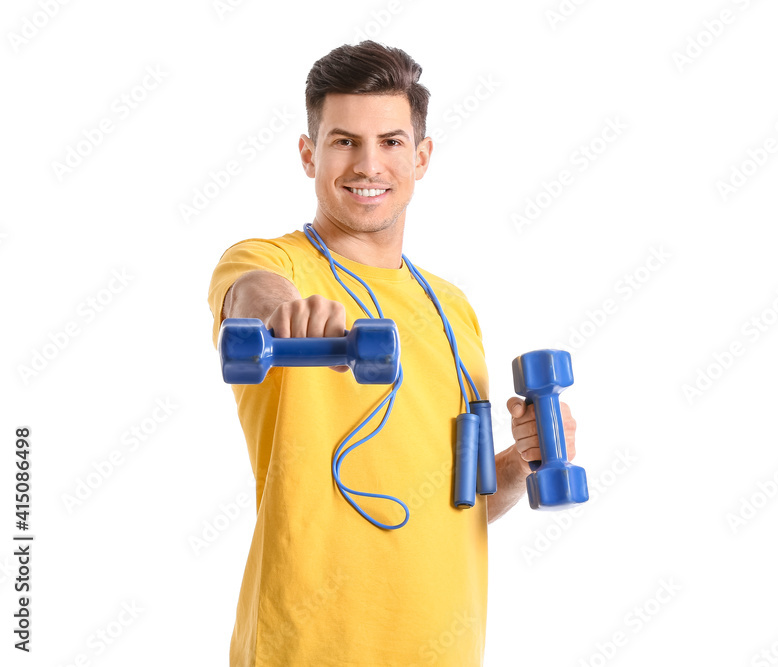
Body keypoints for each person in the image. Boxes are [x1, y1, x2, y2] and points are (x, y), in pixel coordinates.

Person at [206, 41, 578, 666]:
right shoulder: (270, 263)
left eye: (392, 142)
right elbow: (252, 297)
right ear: (309, 154)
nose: (368, 164)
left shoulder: (451, 307)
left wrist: (523, 463)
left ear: (423, 156)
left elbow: (460, 507)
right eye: (345, 141)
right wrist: (288, 312)